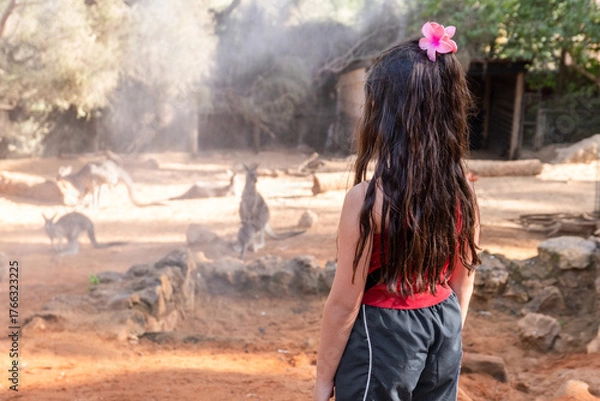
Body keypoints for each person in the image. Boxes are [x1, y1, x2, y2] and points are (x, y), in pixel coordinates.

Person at [314, 22, 481, 401]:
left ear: (384, 116)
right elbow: (463, 279)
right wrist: (446, 333)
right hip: (444, 325)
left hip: (384, 336)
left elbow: (344, 303)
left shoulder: (367, 200)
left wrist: (324, 380)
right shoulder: (464, 193)